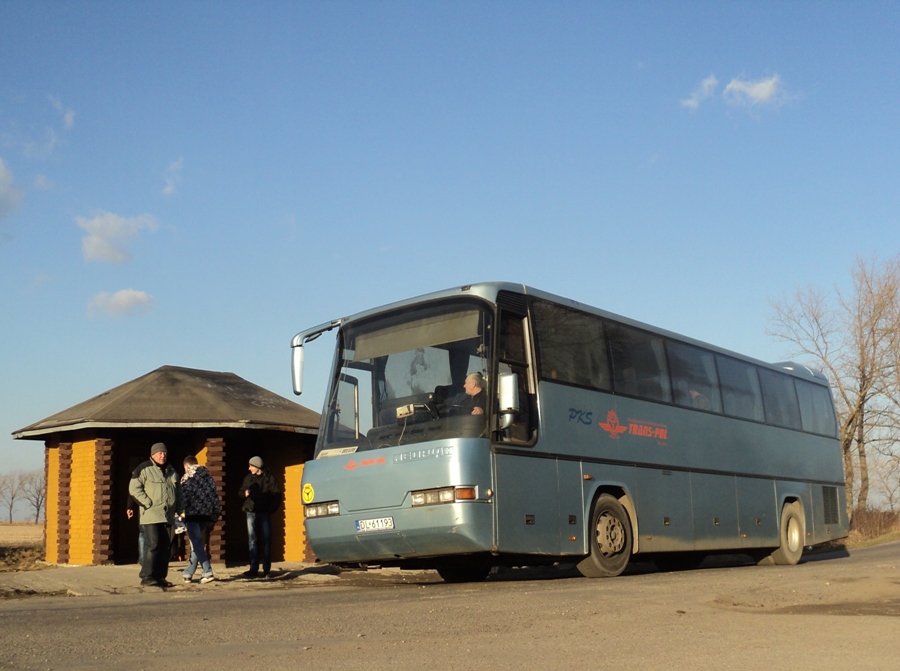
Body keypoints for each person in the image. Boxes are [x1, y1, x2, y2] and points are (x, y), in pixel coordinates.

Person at [129, 442, 181, 588]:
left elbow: (179, 492)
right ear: (152, 455)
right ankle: (147, 576)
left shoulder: (172, 471)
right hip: (151, 515)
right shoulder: (144, 468)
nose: (163, 455)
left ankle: (160, 577)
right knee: (153, 545)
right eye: (159, 453)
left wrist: (180, 509)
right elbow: (134, 488)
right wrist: (147, 503)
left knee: (165, 547)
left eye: (164, 453)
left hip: (168, 515)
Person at [180, 455, 221, 585]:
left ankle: (207, 571)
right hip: (206, 515)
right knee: (196, 544)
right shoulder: (209, 478)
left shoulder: (187, 478)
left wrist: (179, 516)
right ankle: (188, 572)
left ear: (187, 466)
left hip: (192, 515)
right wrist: (214, 515)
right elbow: (215, 498)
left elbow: (183, 499)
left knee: (196, 544)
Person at [239, 456, 281, 578]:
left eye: (251, 466)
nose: (249, 468)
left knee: (267, 541)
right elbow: (240, 491)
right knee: (252, 541)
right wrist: (244, 493)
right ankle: (253, 569)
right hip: (251, 512)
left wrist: (270, 510)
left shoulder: (269, 479)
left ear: (257, 467)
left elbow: (277, 496)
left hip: (264, 513)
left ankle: (266, 570)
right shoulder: (248, 478)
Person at [126, 495, 146, 568]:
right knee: (144, 533)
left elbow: (132, 493)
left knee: (142, 534)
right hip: (148, 508)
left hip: (142, 508)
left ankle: (142, 559)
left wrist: (130, 506)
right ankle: (144, 559)